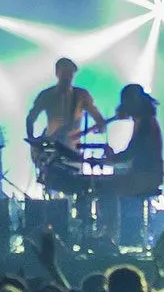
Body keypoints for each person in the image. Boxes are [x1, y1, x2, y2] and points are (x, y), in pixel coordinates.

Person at [24, 57, 104, 197]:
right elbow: (30, 118)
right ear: (57, 72)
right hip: (51, 150)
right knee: (52, 187)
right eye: (64, 72)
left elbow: (97, 117)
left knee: (74, 187)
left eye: (70, 73)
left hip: (72, 150)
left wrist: (100, 126)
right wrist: (34, 142)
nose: (68, 77)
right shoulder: (47, 95)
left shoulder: (81, 95)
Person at [101, 83, 164, 246]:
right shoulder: (144, 120)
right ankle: (112, 234)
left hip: (147, 177)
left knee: (104, 187)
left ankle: (109, 235)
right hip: (146, 174)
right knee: (108, 184)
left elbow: (133, 151)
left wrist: (112, 159)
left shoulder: (145, 123)